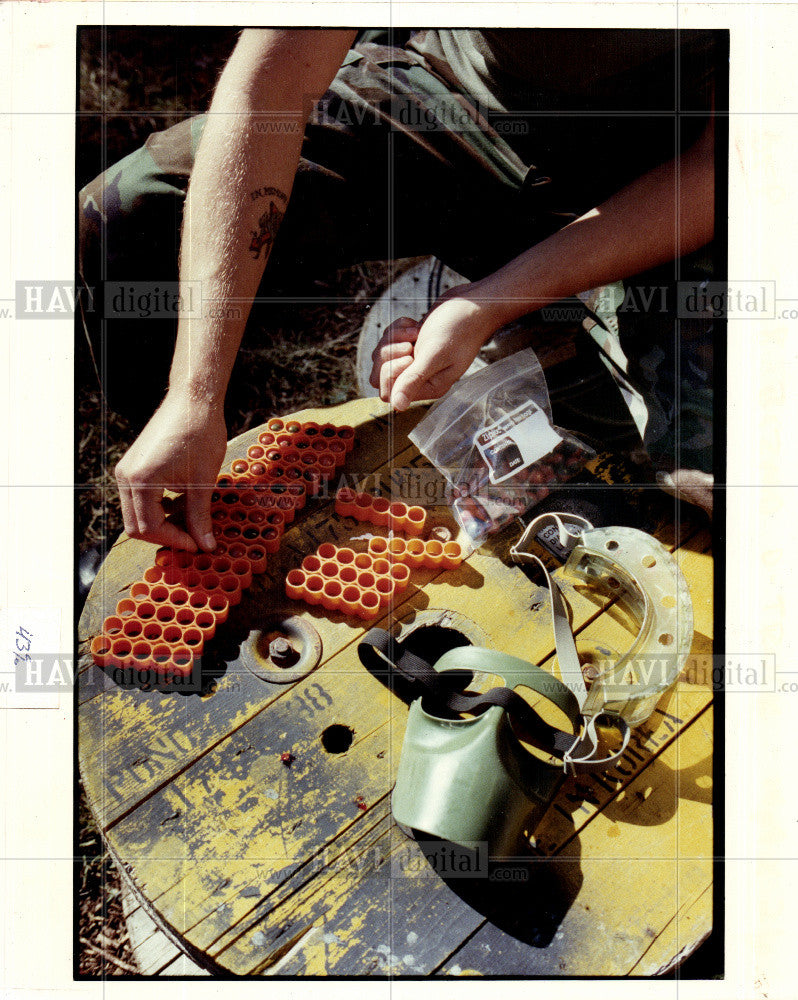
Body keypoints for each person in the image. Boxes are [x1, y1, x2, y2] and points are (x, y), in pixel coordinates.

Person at [79, 28, 722, 552]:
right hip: (461, 96)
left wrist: (491, 301)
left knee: (715, 474)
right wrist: (195, 391)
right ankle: (181, 507)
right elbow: (269, 86)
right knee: (121, 216)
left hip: (662, 174)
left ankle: (557, 363)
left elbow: (725, 171)